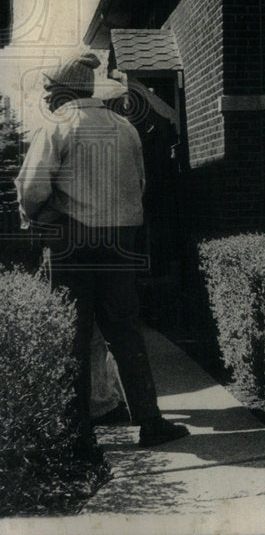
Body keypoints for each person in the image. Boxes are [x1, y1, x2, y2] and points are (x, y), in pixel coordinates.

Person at [15, 52, 189, 464]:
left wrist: (47, 220)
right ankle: (150, 422)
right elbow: (141, 184)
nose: (45, 93)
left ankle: (77, 436)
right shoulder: (125, 127)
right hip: (121, 241)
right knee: (125, 332)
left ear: (62, 90)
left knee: (74, 336)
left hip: (73, 243)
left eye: (48, 87)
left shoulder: (58, 125)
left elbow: (31, 190)